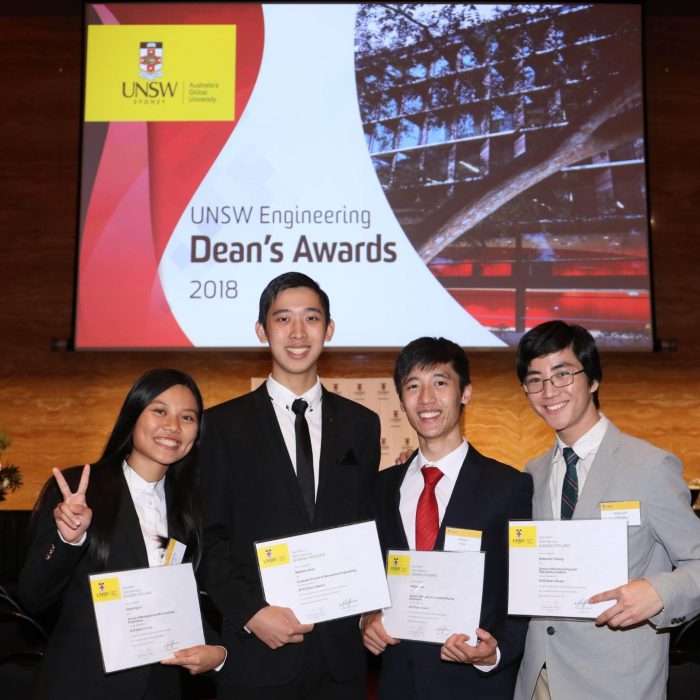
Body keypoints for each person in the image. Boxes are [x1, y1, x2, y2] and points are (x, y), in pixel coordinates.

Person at [199, 271, 381, 700]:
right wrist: (251, 613)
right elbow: (208, 538)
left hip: (341, 661)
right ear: (262, 331)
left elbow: (365, 526)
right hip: (256, 654)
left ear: (329, 329)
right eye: (283, 319)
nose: (298, 333)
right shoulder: (223, 426)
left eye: (311, 318)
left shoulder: (361, 425)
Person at [513, 320, 700, 700]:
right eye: (535, 380)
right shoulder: (531, 474)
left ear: (593, 379)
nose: (549, 391)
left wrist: (660, 591)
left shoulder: (649, 466)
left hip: (616, 683)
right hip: (540, 679)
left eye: (562, 374)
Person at [19, 369, 226, 700]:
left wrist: (218, 651)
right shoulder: (80, 490)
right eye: (160, 411)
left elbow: (181, 600)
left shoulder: (189, 508)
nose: (173, 426)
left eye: (187, 417)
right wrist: (68, 540)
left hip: (159, 686)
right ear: (133, 415)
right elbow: (32, 596)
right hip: (81, 683)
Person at [362, 336, 533, 699]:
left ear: (465, 393)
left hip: (475, 684)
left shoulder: (509, 487)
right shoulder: (380, 488)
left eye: (440, 383)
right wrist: (365, 620)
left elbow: (524, 591)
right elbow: (364, 577)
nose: (426, 399)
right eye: (413, 386)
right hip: (397, 685)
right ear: (402, 400)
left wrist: (496, 651)